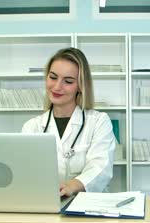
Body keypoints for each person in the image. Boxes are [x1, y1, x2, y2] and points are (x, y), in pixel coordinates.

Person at [22, 47, 116, 197]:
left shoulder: (99, 122)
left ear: (80, 86)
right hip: (46, 205)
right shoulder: (31, 128)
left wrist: (72, 186)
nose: (57, 87)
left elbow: (100, 168)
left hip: (89, 207)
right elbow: (26, 172)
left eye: (68, 81)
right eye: (53, 77)